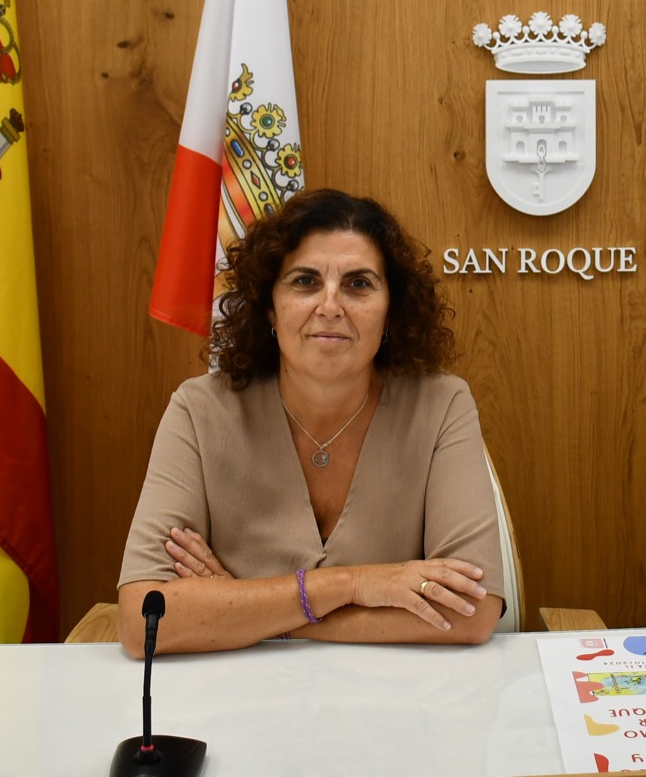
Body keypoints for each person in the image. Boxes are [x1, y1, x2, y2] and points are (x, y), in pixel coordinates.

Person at [116, 188, 504, 654]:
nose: (330, 306)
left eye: (358, 284)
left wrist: (247, 611)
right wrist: (352, 585)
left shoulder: (441, 404)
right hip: (235, 695)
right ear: (269, 307)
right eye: (305, 281)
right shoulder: (198, 411)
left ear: (391, 311)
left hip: (395, 693)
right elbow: (143, 620)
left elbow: (472, 611)